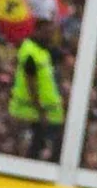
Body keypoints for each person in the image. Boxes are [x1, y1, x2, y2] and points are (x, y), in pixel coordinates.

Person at [7, 25, 60, 160]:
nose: (49, 36)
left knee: (37, 148)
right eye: (47, 32)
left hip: (38, 113)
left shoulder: (42, 52)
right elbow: (31, 82)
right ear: (38, 31)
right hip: (28, 112)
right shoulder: (30, 51)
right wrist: (39, 108)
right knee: (26, 148)